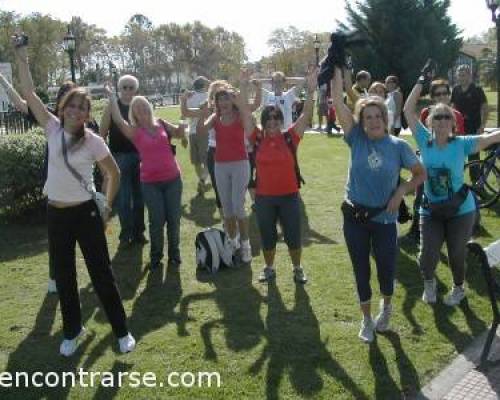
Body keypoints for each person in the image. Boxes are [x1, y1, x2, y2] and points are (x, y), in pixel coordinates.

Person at [13, 39, 135, 356]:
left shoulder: (93, 140)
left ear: (86, 113)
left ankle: (122, 331)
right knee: (64, 276)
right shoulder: (51, 127)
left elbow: (113, 174)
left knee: (101, 273)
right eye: (72, 105)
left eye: (83, 107)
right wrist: (22, 59)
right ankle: (73, 331)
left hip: (86, 214)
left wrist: (106, 206)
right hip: (57, 215)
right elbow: (29, 94)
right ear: (63, 106)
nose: (77, 110)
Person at [331, 66, 426, 343]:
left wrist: (400, 192)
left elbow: (420, 174)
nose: (373, 121)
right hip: (355, 218)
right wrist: (336, 69)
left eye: (377, 116)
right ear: (362, 121)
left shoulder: (398, 146)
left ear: (386, 118)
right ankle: (366, 319)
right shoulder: (356, 139)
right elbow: (338, 101)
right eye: (368, 117)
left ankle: (386, 306)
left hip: (385, 218)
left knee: (386, 267)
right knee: (361, 268)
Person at [404, 67, 500, 306]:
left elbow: (490, 138)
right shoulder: (424, 140)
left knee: (457, 254)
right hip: (431, 210)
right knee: (428, 255)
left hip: (461, 209)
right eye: (438, 117)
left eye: (447, 117)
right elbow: (407, 109)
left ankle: (459, 288)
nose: (443, 120)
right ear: (430, 122)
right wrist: (420, 80)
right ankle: (429, 283)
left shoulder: (462, 143)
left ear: (453, 122)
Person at [239, 67, 317, 283]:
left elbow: (306, 114)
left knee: (293, 234)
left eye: (276, 122)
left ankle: (297, 268)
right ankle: (269, 267)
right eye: (268, 122)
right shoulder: (256, 137)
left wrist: (311, 92)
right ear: (263, 123)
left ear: (281, 121)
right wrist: (244, 86)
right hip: (264, 197)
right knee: (267, 234)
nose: (272, 126)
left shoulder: (291, 137)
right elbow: (245, 112)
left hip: (290, 196)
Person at [105, 85, 186, 270]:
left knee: (174, 220)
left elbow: (179, 133)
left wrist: (182, 124)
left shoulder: (162, 123)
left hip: (173, 179)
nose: (141, 109)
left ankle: (175, 255)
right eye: (136, 107)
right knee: (156, 221)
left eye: (143, 106)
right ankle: (156, 257)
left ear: (149, 107)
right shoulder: (134, 131)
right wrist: (111, 97)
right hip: (151, 183)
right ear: (133, 113)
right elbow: (117, 119)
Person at [197, 82, 254, 263]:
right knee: (227, 209)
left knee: (238, 206)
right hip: (220, 165)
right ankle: (233, 242)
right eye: (220, 100)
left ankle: (246, 246)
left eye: (226, 99)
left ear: (232, 101)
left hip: (240, 164)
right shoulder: (215, 117)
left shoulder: (239, 115)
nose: (223, 103)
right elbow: (201, 130)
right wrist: (202, 113)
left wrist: (240, 97)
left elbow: (249, 122)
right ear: (216, 103)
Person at [100, 74, 146, 248]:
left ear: (136, 90)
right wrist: (104, 163)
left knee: (140, 197)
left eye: (130, 87)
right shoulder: (112, 106)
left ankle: (139, 232)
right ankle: (126, 234)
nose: (127, 90)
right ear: (119, 89)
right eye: (124, 87)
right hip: (119, 157)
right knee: (124, 199)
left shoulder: (140, 107)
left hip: (140, 157)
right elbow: (102, 133)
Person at [451, 65, 488, 182]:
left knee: (473, 157)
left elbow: (485, 107)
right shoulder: (456, 89)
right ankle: (457, 181)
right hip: (459, 129)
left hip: (474, 128)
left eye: (464, 75)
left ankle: (476, 183)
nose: (461, 77)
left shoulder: (477, 89)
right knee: (458, 156)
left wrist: (482, 125)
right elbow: (453, 107)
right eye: (459, 75)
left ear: (469, 75)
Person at [184, 76, 211, 195]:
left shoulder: (189, 97)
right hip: (205, 132)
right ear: (203, 85)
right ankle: (202, 180)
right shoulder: (208, 97)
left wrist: (183, 135)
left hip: (192, 133)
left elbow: (182, 116)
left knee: (196, 161)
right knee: (207, 161)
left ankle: (202, 181)